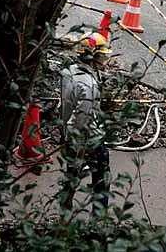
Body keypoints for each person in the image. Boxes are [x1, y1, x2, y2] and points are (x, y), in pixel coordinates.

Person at [59, 32, 112, 211]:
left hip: (70, 134)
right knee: (102, 180)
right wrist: (84, 145)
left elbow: (66, 106)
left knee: (70, 177)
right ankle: (98, 222)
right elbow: (84, 116)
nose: (104, 60)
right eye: (101, 56)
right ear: (92, 56)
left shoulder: (69, 72)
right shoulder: (89, 84)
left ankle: (64, 216)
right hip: (89, 140)